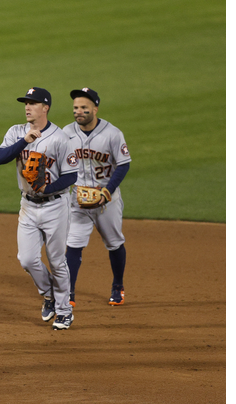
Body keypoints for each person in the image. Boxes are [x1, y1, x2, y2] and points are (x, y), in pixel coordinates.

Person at [0, 87, 79, 330]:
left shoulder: (61, 138)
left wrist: (47, 188)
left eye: (33, 103)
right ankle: (49, 294)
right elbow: (0, 158)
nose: (27, 107)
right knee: (27, 259)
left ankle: (64, 311)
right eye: (26, 102)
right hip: (28, 206)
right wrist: (24, 141)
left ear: (46, 107)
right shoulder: (16, 132)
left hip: (56, 206)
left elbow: (71, 176)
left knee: (56, 261)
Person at [63, 88, 131, 306]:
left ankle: (118, 286)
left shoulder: (112, 133)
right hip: (78, 199)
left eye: (83, 107)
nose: (79, 111)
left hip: (107, 200)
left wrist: (107, 191)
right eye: (75, 108)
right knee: (73, 244)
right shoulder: (66, 133)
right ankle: (69, 293)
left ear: (95, 108)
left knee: (114, 243)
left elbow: (123, 164)